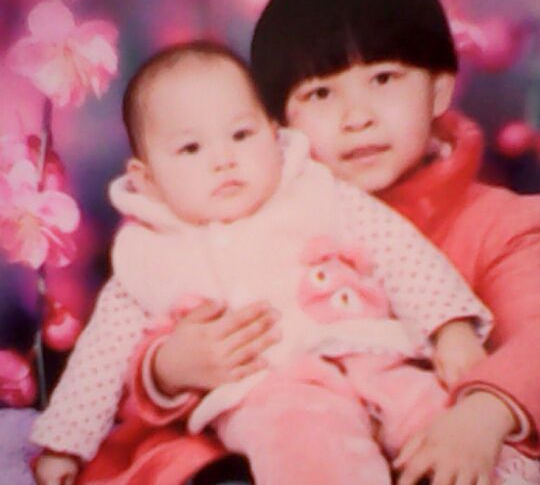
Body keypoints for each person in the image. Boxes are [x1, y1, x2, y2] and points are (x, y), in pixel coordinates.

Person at [31, 40, 495, 485]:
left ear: (273, 135)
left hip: (371, 353)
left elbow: (399, 249)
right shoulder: (150, 253)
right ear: (147, 179)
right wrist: (64, 444)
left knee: (438, 416)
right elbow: (102, 355)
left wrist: (449, 326)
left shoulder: (315, 191)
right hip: (269, 390)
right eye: (191, 149)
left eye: (241, 134)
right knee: (303, 445)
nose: (224, 160)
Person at [249, 0, 540, 484]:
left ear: (439, 89)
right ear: (278, 124)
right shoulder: (257, 227)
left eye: (383, 79)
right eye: (320, 92)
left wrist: (485, 413)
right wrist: (173, 367)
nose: (357, 117)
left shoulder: (503, 226)